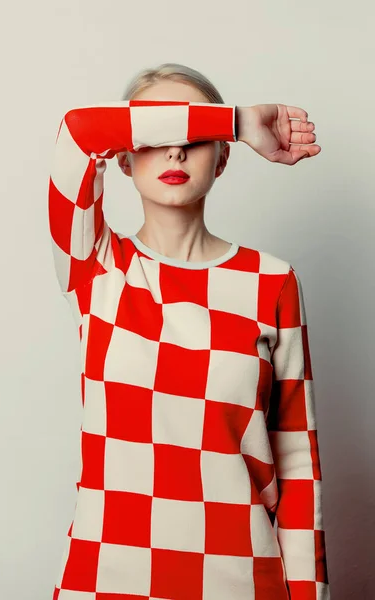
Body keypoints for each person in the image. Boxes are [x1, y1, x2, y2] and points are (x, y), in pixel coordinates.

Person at [48, 62, 330, 600]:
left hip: (242, 577)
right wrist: (242, 120)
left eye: (197, 138)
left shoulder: (271, 281)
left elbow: (297, 465)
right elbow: (78, 133)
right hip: (107, 575)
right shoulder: (97, 267)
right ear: (125, 158)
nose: (176, 150)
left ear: (222, 158)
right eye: (157, 134)